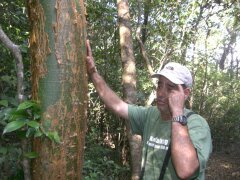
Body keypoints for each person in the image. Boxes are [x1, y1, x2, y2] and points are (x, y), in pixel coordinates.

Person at [86, 40, 212, 180]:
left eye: (170, 88)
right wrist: (93, 73)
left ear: (186, 93)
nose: (161, 92)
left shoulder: (197, 124)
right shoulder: (151, 114)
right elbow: (118, 105)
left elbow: (185, 170)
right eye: (160, 85)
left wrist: (177, 113)